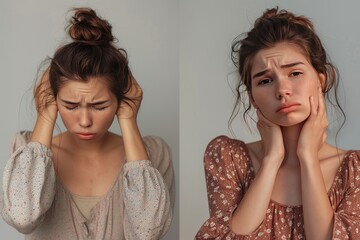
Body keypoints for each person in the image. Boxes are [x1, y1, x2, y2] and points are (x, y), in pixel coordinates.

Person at [1, 8, 174, 240]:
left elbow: (148, 232)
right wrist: (45, 114)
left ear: (120, 101)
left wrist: (129, 119)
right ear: (54, 100)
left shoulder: (152, 154)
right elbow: (22, 217)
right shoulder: (27, 153)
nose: (84, 121)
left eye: (99, 106)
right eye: (70, 106)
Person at [196, 7, 360, 239]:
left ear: (320, 81)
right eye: (265, 81)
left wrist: (307, 157)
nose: (282, 91)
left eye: (295, 73)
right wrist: (272, 160)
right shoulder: (229, 158)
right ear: (252, 96)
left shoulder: (354, 170)